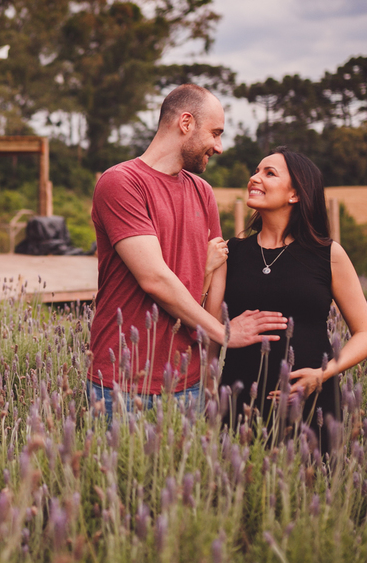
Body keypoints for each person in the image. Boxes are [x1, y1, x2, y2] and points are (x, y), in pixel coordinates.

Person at [88, 85, 288, 417]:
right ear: (185, 123)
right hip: (122, 380)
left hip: (189, 383)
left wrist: (209, 361)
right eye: (215, 133)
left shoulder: (202, 191)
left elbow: (218, 271)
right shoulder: (121, 183)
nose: (219, 147)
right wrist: (225, 333)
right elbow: (154, 278)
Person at [205, 147, 367, 452]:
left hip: (310, 402)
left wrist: (322, 374)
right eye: (256, 171)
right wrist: (207, 390)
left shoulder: (328, 254)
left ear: (295, 194)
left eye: (269, 174)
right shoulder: (229, 252)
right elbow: (209, 329)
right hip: (238, 399)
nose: (254, 178)